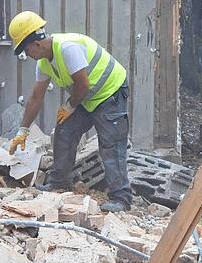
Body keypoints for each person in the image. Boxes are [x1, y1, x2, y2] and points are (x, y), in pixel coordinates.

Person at [7, 11, 133, 212]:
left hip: (110, 92)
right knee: (64, 130)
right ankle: (59, 183)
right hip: (86, 96)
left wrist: (70, 106)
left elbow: (83, 84)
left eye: (25, 49)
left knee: (111, 143)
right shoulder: (44, 64)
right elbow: (35, 97)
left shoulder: (68, 49)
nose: (26, 54)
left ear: (37, 44)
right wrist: (23, 130)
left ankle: (121, 198)